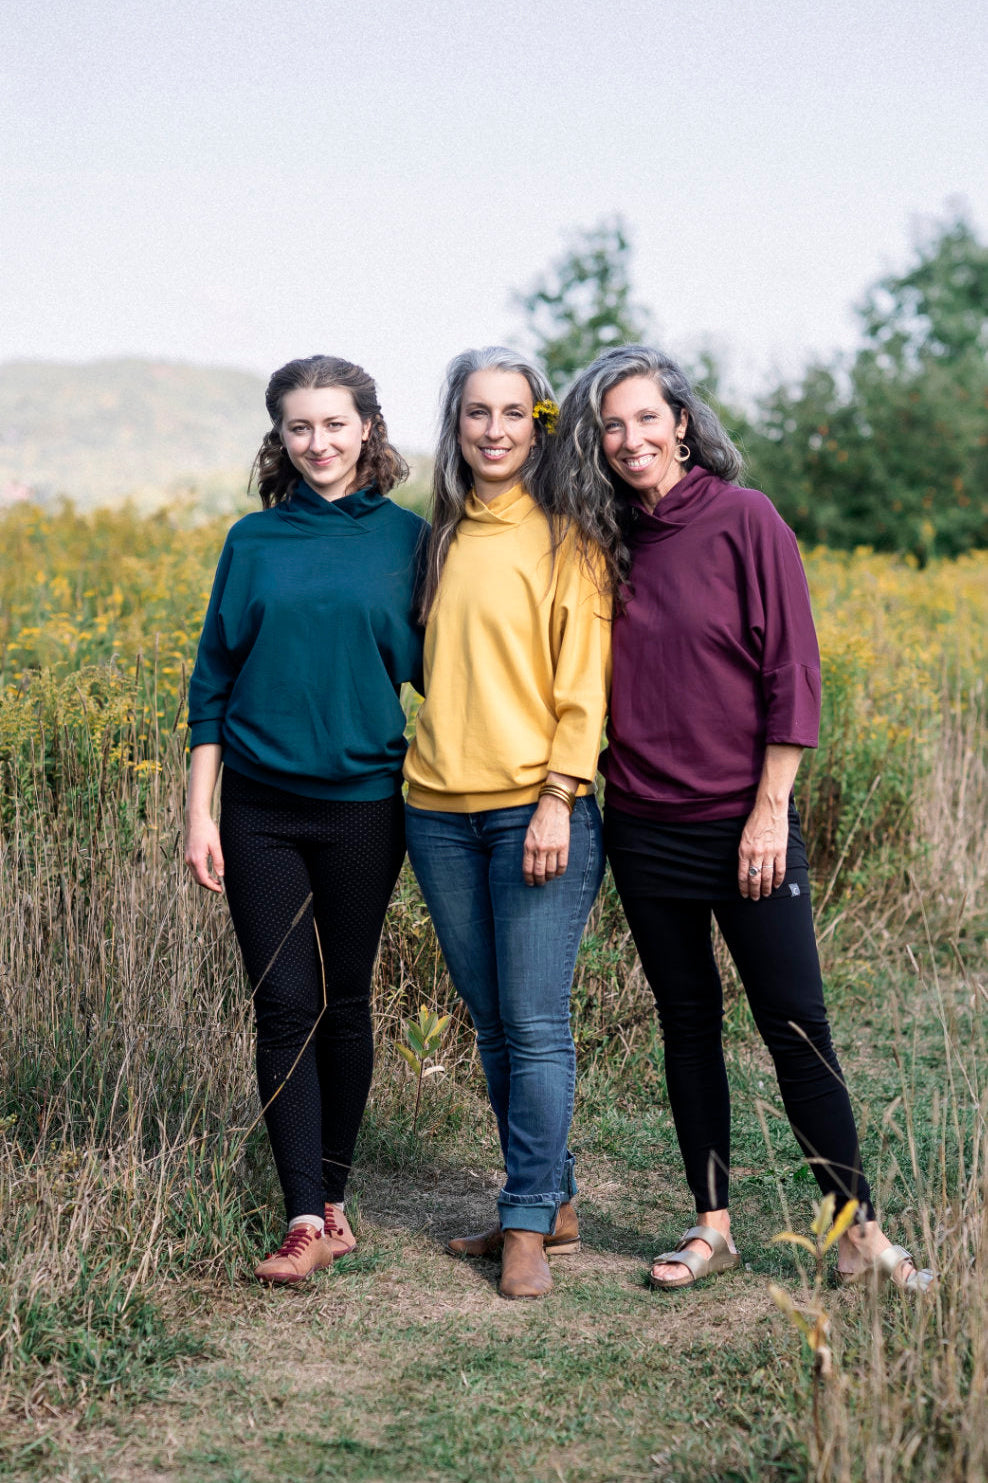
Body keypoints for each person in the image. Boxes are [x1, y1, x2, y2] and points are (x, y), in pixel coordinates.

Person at [555, 344, 933, 1293]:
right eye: (612, 425)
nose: (632, 438)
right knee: (687, 1024)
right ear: (595, 443)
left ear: (682, 420)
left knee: (796, 1025)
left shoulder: (744, 519)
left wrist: (770, 812)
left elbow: (791, 674)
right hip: (645, 826)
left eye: (648, 417)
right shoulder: (603, 540)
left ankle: (859, 1236)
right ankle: (713, 1224)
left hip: (746, 822)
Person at [185, 355, 427, 1285]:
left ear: (368, 426)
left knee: (348, 1000)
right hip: (256, 811)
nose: (318, 442)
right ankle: (300, 1218)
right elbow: (213, 680)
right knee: (284, 1003)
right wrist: (198, 810)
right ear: (279, 438)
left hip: (367, 806)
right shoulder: (252, 542)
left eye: (334, 423)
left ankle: (334, 1195)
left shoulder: (412, 542)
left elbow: (443, 678)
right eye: (299, 427)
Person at [403, 347, 612, 1300]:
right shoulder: (438, 539)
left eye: (511, 413)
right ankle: (553, 1197)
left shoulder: (569, 537)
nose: (493, 430)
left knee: (534, 1025)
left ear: (540, 425)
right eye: (475, 413)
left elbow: (584, 686)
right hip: (436, 813)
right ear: (456, 425)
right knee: (492, 1025)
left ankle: (526, 1220)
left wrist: (558, 797)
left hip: (539, 811)